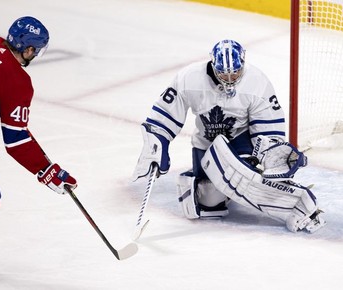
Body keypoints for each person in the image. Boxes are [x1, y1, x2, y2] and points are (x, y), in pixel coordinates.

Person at [133, 39, 326, 234]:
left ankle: (294, 201)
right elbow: (163, 116)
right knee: (208, 201)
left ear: (243, 63)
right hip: (205, 143)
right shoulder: (189, 79)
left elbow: (269, 128)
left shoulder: (257, 82)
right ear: (213, 65)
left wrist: (271, 155)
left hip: (241, 141)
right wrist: (156, 146)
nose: (230, 78)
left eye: (235, 72)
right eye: (223, 73)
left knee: (239, 176)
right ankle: (228, 187)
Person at [0, 16, 77, 272]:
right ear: (29, 49)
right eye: (36, 50)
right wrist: (48, 171)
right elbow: (16, 141)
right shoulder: (18, 81)